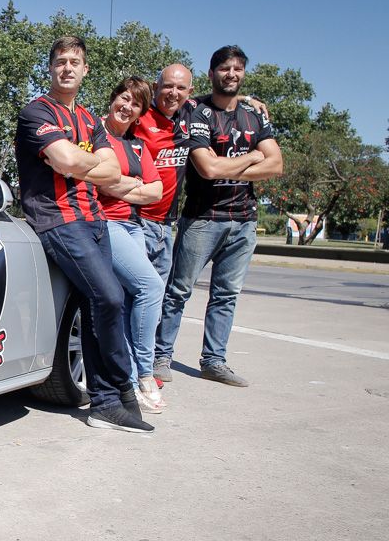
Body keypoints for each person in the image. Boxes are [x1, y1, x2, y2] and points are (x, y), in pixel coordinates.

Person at [14, 36, 152, 433]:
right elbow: (66, 159)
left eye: (75, 61)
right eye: (60, 61)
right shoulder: (36, 111)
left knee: (99, 305)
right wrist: (79, 163)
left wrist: (79, 164)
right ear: (51, 67)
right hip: (57, 219)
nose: (68, 67)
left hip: (94, 219)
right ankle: (120, 389)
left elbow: (112, 172)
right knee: (109, 297)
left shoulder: (91, 120)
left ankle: (107, 400)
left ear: (85, 69)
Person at [153, 46, 283, 387]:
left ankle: (214, 361)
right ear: (211, 74)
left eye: (238, 68)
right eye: (225, 68)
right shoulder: (195, 111)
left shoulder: (255, 116)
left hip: (245, 220)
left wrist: (237, 164)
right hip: (203, 217)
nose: (232, 74)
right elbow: (207, 168)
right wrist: (253, 158)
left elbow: (277, 164)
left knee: (227, 294)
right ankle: (160, 355)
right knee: (178, 291)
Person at [133, 64, 267, 285]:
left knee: (157, 296)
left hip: (165, 225)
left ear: (190, 92)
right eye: (167, 86)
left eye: (181, 88)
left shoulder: (189, 112)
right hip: (137, 220)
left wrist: (246, 98)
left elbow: (219, 99)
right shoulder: (140, 114)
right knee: (139, 292)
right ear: (155, 87)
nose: (173, 93)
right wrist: (252, 157)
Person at [95, 77, 167, 414]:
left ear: (140, 113)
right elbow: (96, 180)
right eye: (124, 98)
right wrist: (130, 185)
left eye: (135, 104)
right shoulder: (94, 134)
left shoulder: (138, 147)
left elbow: (156, 192)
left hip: (133, 225)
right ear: (113, 99)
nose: (127, 107)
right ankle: (145, 375)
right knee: (151, 286)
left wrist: (119, 186)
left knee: (129, 300)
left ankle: (130, 376)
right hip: (104, 223)